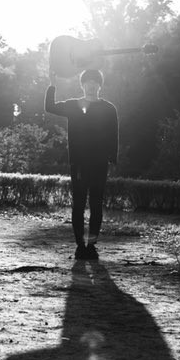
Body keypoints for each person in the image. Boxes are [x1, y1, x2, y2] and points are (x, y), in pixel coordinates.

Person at [45, 67, 118, 260]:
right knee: (78, 205)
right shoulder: (73, 105)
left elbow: (114, 135)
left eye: (95, 82)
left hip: (100, 163)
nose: (91, 85)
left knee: (96, 205)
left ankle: (91, 246)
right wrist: (52, 85)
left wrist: (112, 158)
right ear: (82, 85)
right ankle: (79, 246)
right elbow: (50, 107)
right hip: (78, 163)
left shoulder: (109, 109)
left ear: (99, 85)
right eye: (87, 82)